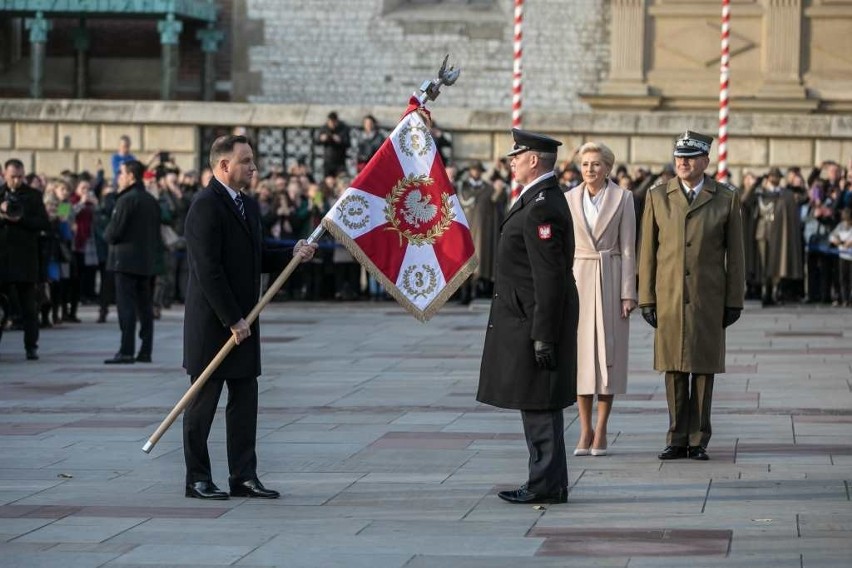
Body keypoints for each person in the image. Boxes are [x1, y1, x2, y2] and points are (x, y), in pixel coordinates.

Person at [182, 135, 317, 500]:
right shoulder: (205, 205)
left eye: (252, 160)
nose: (253, 168)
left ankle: (243, 475)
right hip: (215, 323)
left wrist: (293, 252)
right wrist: (231, 319)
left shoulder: (248, 205)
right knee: (202, 403)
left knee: (244, 401)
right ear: (224, 165)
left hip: (246, 319)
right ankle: (197, 478)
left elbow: (257, 254)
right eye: (246, 161)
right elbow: (207, 270)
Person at [477, 129, 579, 504]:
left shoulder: (541, 206)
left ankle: (544, 484)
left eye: (516, 156)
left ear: (533, 160)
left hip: (534, 321)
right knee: (536, 403)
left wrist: (544, 335)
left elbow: (549, 277)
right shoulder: (538, 199)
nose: (512, 162)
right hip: (529, 318)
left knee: (540, 405)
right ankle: (549, 481)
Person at [638, 130, 745, 462]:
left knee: (702, 369)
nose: (682, 163)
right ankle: (676, 437)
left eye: (690, 157)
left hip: (706, 296)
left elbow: (736, 256)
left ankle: (699, 438)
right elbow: (648, 253)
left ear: (705, 161)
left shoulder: (725, 197)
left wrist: (733, 300)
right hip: (668, 296)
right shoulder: (658, 196)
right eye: (679, 157)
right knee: (672, 369)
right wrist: (646, 297)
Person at [564, 142, 637, 457]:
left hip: (610, 277)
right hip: (579, 277)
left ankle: (602, 429)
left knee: (608, 359)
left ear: (607, 167)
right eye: (585, 164)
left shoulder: (624, 198)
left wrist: (628, 293)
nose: (590, 169)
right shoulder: (568, 199)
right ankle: (584, 429)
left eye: (595, 164)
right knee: (580, 361)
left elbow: (630, 247)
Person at [103, 160, 161, 364]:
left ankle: (126, 351)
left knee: (126, 308)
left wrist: (106, 231)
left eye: (122, 173)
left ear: (131, 176)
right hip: (145, 263)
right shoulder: (150, 200)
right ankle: (145, 351)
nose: (119, 177)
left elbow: (113, 233)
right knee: (145, 308)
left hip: (124, 262)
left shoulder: (126, 200)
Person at [0, 159, 50, 360]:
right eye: (13, 176)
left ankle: (31, 347)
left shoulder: (33, 196)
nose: (17, 180)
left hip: (25, 260)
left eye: (20, 176)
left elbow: (44, 223)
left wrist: (21, 219)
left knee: (30, 307)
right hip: (2, 260)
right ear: (4, 174)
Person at [741, 167, 804, 306]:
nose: (775, 179)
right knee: (763, 264)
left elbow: (803, 198)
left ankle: (775, 291)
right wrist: (756, 183)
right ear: (768, 177)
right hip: (762, 231)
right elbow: (744, 201)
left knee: (777, 263)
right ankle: (765, 291)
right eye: (772, 176)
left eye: (777, 176)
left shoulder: (785, 194)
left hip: (779, 233)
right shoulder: (759, 193)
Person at [457, 161, 503, 303]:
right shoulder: (462, 188)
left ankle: (475, 291)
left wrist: (499, 192)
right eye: (473, 170)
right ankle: (464, 293)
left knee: (478, 262)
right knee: (463, 262)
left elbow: (496, 204)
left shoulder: (488, 189)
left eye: (478, 170)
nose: (476, 172)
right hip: (464, 230)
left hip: (480, 232)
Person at [316, 111, 350, 177]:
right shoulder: (324, 128)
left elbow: (348, 143)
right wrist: (321, 139)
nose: (332, 125)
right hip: (328, 161)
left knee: (341, 179)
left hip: (340, 161)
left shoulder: (343, 128)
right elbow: (317, 141)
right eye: (330, 122)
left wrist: (340, 140)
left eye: (333, 122)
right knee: (328, 180)